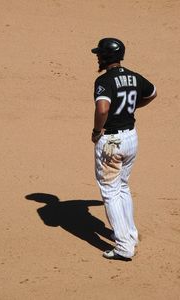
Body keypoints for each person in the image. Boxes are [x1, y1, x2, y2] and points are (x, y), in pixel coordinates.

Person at [91, 38, 157, 261]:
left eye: (99, 54)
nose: (97, 57)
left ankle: (123, 246)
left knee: (110, 191)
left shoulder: (104, 80)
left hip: (111, 141)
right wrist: (128, 108)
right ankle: (131, 233)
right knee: (123, 186)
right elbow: (152, 93)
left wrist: (96, 131)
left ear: (106, 57)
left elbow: (102, 109)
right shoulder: (135, 77)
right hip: (131, 138)